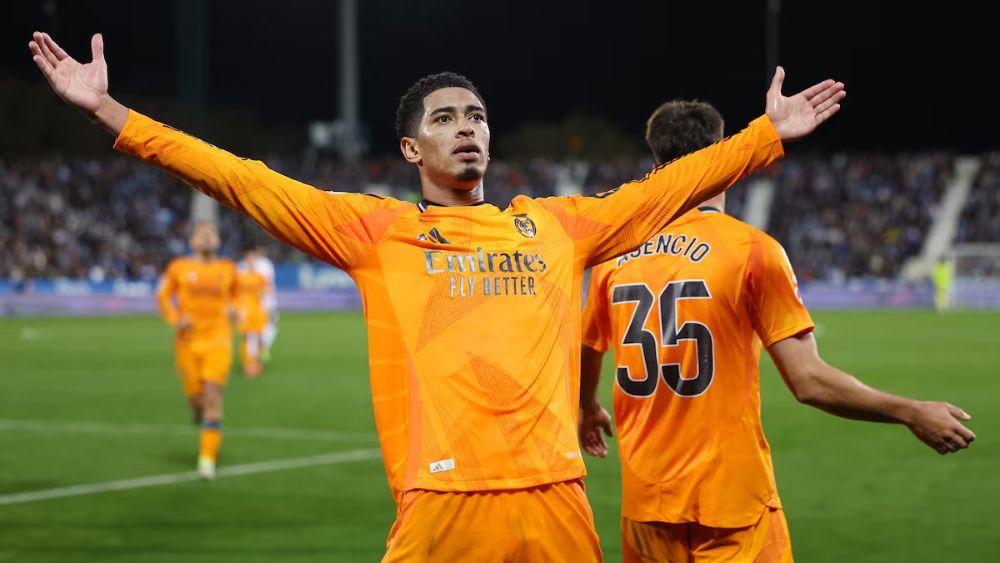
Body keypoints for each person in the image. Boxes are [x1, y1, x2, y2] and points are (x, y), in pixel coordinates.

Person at [29, 31, 844, 561]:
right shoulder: (376, 231)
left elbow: (670, 189)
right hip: (441, 506)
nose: (469, 126)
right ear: (411, 145)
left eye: (479, 115)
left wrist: (763, 138)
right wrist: (109, 111)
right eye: (448, 116)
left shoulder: (557, 227)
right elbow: (243, 180)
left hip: (557, 503)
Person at [579, 99, 976, 562]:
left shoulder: (613, 261)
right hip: (731, 508)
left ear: (655, 163)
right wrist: (910, 411)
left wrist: (588, 407)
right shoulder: (752, 250)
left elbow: (589, 345)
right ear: (723, 155)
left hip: (647, 506)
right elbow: (808, 382)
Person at [155, 221, 237, 480]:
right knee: (197, 400)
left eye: (212, 232)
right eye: (201, 233)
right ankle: (197, 410)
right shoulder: (179, 267)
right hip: (188, 342)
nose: (207, 237)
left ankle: (206, 461)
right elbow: (163, 297)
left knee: (212, 395)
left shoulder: (228, 268)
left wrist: (236, 309)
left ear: (218, 240)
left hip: (219, 339)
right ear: (191, 242)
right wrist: (175, 317)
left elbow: (237, 296)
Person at [236, 246, 271, 377]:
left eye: (253, 258)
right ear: (246, 259)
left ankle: (254, 363)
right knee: (247, 338)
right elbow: (235, 294)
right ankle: (248, 365)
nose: (251, 260)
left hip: (257, 310)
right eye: (249, 258)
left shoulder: (260, 277)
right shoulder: (241, 277)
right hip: (245, 311)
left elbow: (266, 291)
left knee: (256, 338)